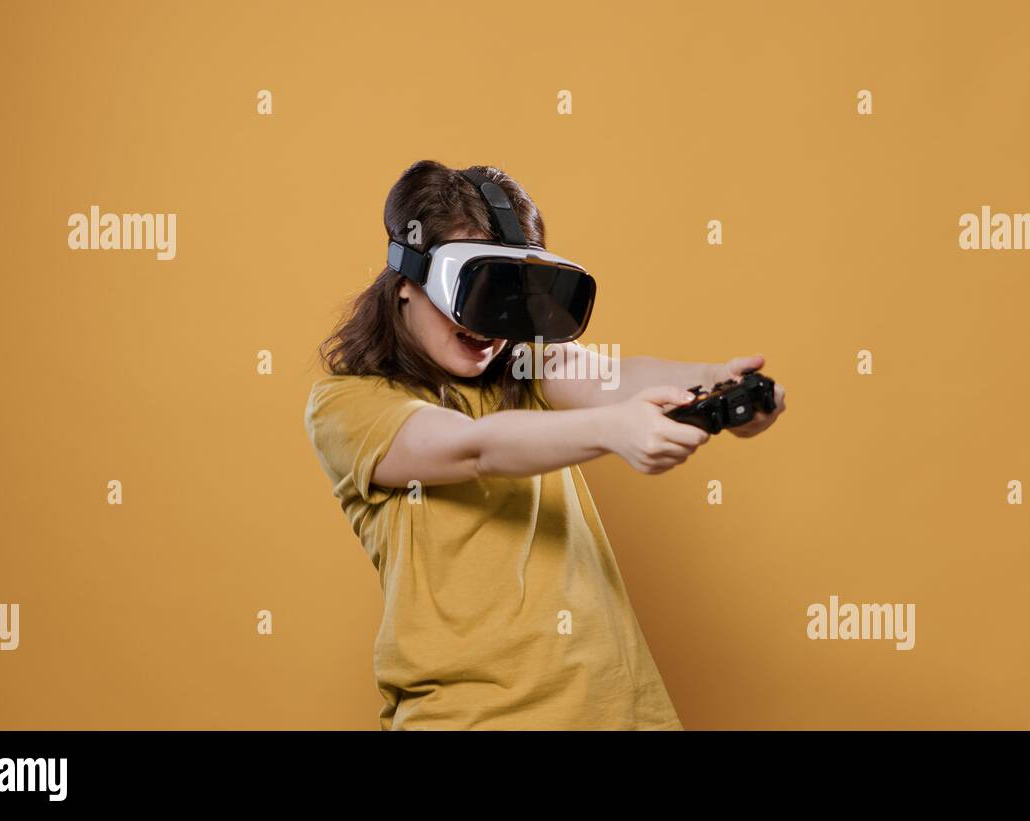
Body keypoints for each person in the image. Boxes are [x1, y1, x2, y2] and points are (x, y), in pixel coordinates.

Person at [304, 160, 786, 729]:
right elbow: (472, 449)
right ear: (407, 283)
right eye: (477, 290)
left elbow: (614, 379)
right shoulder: (349, 407)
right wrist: (611, 432)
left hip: (619, 713)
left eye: (513, 295)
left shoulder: (526, 370)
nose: (490, 325)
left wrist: (717, 384)